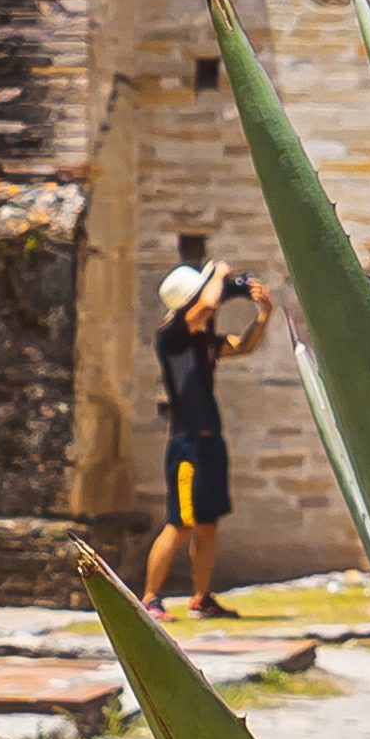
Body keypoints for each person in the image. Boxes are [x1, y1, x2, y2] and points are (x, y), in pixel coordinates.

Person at [141, 260, 268, 619]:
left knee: (208, 523)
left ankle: (202, 597)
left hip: (211, 444)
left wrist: (263, 314)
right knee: (180, 523)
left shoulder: (203, 342)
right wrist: (219, 273)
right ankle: (150, 598)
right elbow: (209, 305)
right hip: (187, 446)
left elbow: (243, 346)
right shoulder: (172, 337)